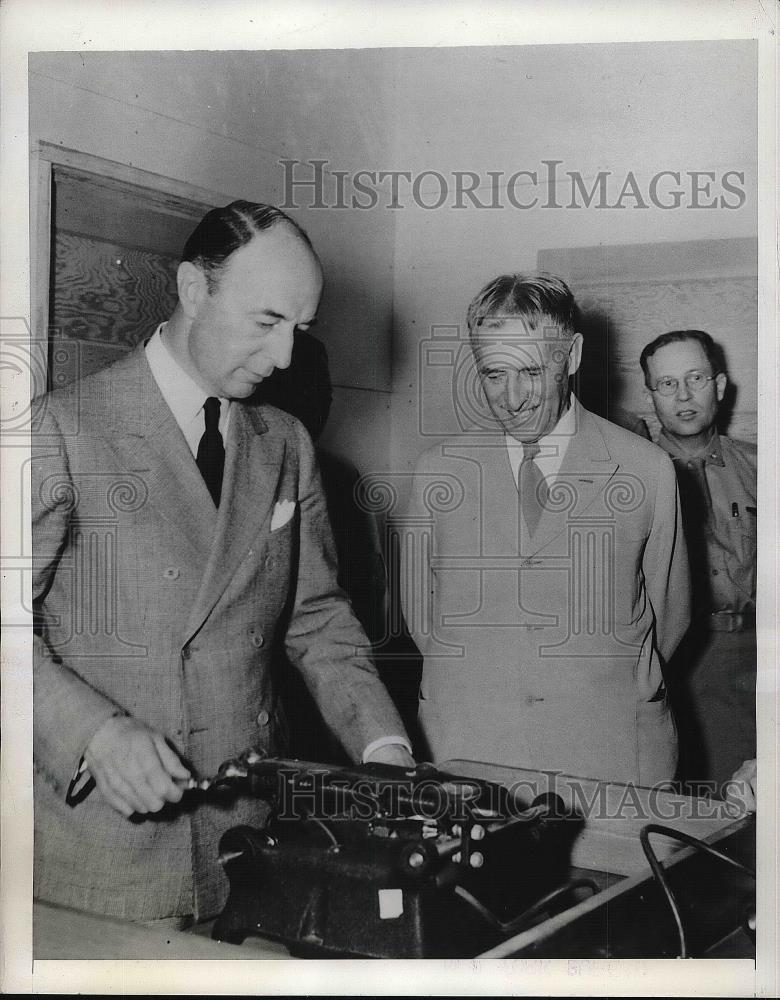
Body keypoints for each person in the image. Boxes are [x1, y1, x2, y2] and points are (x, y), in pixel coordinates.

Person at [32, 201, 413, 924]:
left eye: (300, 331)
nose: (286, 359)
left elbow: (318, 620)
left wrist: (383, 747)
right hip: (105, 851)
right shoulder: (62, 429)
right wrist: (94, 733)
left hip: (247, 840)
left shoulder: (286, 442)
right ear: (193, 290)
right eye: (266, 322)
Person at [401, 274, 690, 785]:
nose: (512, 398)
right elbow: (422, 619)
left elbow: (668, 617)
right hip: (470, 750)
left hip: (611, 753)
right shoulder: (437, 472)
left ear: (572, 356)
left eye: (531, 372)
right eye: (493, 375)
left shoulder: (646, 470)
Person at [640, 329, 756, 793]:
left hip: (752, 660)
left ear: (721, 386)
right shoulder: (630, 476)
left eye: (696, 378)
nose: (683, 396)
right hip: (669, 667)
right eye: (666, 384)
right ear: (651, 395)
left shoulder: (762, 469)